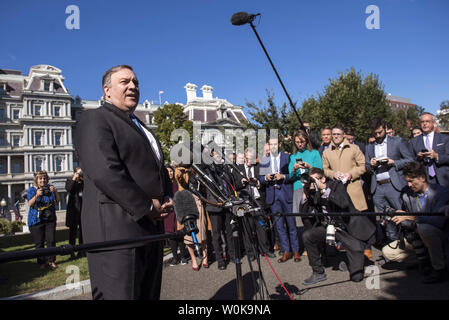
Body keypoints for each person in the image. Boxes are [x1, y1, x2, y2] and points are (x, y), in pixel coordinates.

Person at [74, 65, 172, 300]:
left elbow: (156, 169)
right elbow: (106, 171)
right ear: (107, 91)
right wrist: (148, 207)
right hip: (117, 234)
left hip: (150, 231)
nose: (133, 87)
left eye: (136, 82)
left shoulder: (142, 126)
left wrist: (166, 196)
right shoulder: (94, 118)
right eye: (125, 82)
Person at [300, 167, 376, 285]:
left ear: (323, 179)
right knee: (307, 236)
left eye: (314, 180)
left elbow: (343, 203)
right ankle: (318, 272)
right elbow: (304, 214)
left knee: (357, 277)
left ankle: (353, 257)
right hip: (329, 227)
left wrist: (324, 189)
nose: (312, 183)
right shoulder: (313, 192)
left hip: (346, 228)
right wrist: (305, 194)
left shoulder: (336, 185)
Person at [381, 161, 449, 283]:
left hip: (439, 236)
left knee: (426, 229)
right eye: (407, 181)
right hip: (417, 237)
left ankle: (439, 268)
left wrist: (412, 217)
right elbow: (407, 222)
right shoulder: (407, 196)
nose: (409, 184)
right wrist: (399, 217)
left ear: (422, 178)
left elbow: (439, 221)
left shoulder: (441, 192)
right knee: (387, 252)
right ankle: (424, 259)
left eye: (412, 181)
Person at [260, 137, 299, 263]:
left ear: (279, 144)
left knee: (292, 224)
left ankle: (296, 250)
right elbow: (260, 179)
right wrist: (265, 178)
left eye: (275, 144)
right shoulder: (264, 160)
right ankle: (286, 251)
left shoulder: (287, 158)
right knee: (279, 226)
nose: (273, 147)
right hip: (273, 196)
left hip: (286, 194)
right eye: (271, 144)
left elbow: (294, 175)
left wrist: (283, 176)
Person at [234, 147, 275, 260]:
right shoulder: (238, 168)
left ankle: (265, 250)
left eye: (250, 159)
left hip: (258, 200)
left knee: (261, 227)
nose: (248, 161)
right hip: (245, 201)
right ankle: (251, 252)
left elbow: (265, 183)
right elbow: (234, 184)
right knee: (247, 227)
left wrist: (257, 182)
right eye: (246, 159)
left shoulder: (259, 167)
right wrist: (242, 182)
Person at [365, 118, 414, 212]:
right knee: (385, 220)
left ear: (385, 128)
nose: (378, 135)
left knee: (401, 216)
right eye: (375, 133)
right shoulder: (369, 146)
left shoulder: (398, 141)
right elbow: (366, 167)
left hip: (394, 185)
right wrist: (371, 165)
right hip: (377, 188)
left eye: (380, 132)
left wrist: (394, 163)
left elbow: (410, 160)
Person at [288, 130, 322, 253]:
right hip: (298, 188)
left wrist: (309, 167)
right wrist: (294, 169)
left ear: (306, 141)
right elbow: (291, 177)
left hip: (312, 187)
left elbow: (320, 171)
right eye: (297, 142)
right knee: (303, 219)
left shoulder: (314, 153)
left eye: (301, 142)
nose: (299, 145)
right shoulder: (292, 156)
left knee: (315, 217)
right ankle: (309, 247)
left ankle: (319, 245)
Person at [174, 166, 209, 271]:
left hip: (198, 202)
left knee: (202, 232)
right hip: (185, 202)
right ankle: (194, 259)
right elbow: (178, 178)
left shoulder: (197, 169)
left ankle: (205, 257)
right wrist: (180, 169)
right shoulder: (180, 169)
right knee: (188, 235)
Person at [27, 170, 61, 270]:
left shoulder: (50, 189)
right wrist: (37, 195)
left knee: (51, 240)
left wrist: (55, 191)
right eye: (40, 178)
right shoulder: (32, 190)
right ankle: (41, 262)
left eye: (45, 178)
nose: (43, 180)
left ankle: (51, 261)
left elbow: (58, 201)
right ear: (36, 180)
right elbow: (30, 203)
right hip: (36, 219)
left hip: (50, 218)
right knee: (39, 243)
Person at [409, 112, 449, 188]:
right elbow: (410, 161)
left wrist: (437, 156)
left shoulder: (444, 138)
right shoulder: (414, 141)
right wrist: (418, 158)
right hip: (424, 180)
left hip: (443, 179)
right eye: (422, 122)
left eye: (427, 121)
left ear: (433, 123)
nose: (424, 124)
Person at [164, 166, 188, 266]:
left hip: (177, 212)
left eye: (171, 171)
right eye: (167, 171)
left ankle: (183, 257)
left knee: (180, 235)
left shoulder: (177, 183)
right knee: (170, 236)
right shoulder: (163, 185)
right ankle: (175, 258)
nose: (169, 173)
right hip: (168, 213)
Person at [65, 167, 85, 259]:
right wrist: (74, 179)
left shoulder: (84, 182)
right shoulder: (70, 180)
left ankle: (82, 250)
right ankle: (71, 251)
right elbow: (69, 189)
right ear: (75, 173)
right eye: (78, 173)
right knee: (72, 232)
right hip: (73, 210)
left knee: (82, 232)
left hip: (83, 209)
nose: (80, 174)